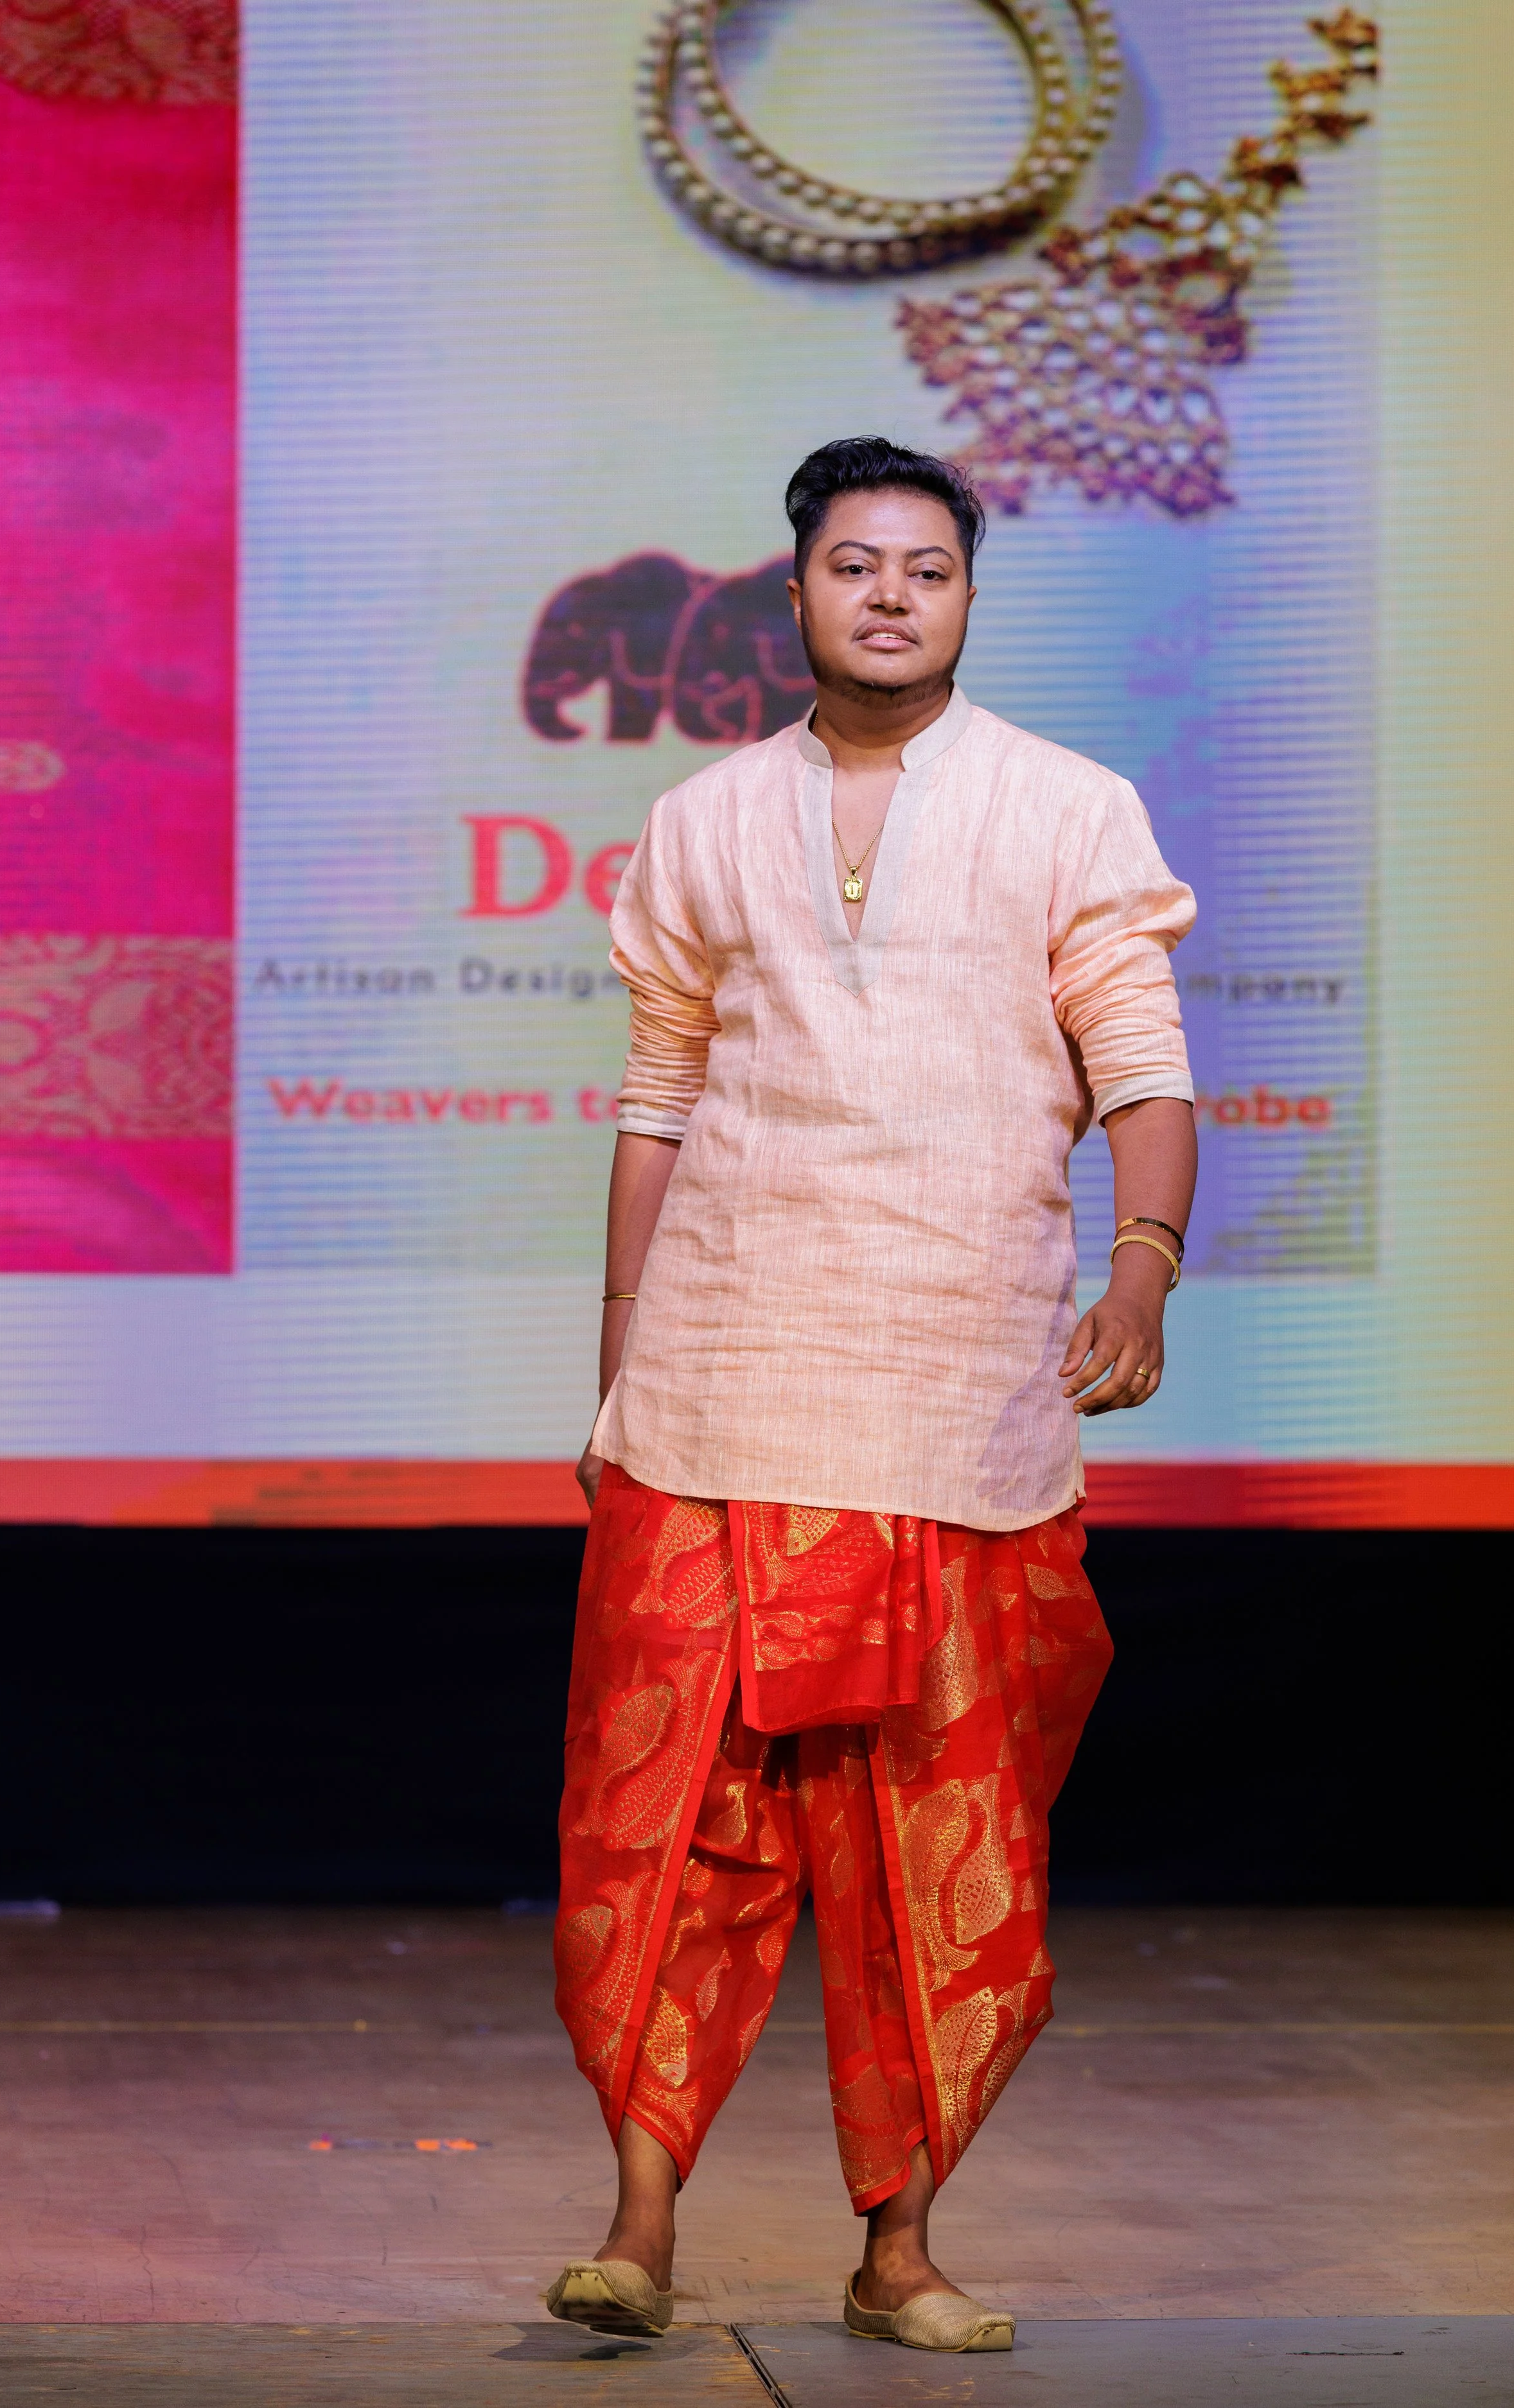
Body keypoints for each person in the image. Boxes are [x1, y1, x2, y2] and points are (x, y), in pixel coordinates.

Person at [545, 437, 1197, 2354]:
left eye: (924, 567)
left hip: (947, 1393)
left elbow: (1141, 1071)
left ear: (966, 597)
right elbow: (657, 1103)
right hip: (716, 1392)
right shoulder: (701, 819)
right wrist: (617, 1362)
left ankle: (896, 2248)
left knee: (929, 1841)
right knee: (662, 1821)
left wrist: (1141, 1261)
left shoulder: (1066, 808)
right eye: (854, 564)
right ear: (798, 592)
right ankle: (638, 2229)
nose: (889, 594)